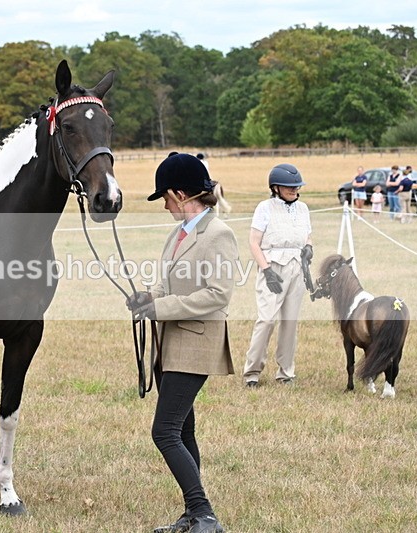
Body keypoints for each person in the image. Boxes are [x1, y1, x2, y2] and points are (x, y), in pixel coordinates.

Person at [126, 152, 237, 533]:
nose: (165, 206)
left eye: (165, 198)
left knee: (165, 431)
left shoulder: (218, 234)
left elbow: (218, 295)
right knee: (183, 431)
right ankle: (193, 516)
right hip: (170, 344)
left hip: (196, 343)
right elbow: (166, 284)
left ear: (180, 194)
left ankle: (204, 513)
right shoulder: (178, 234)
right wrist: (147, 297)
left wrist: (161, 307)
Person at [243, 163, 312, 387]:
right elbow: (254, 243)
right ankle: (252, 372)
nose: (294, 190)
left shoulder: (303, 209)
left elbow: (307, 236)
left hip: (297, 268)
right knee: (266, 320)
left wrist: (309, 247)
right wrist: (267, 270)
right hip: (272, 267)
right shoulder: (264, 208)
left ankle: (286, 372)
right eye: (289, 186)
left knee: (290, 322)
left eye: (296, 186)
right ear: (275, 188)